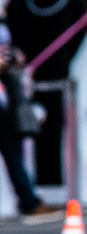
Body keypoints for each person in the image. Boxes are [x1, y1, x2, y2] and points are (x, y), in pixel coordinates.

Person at [0, 20, 59, 222]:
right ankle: (29, 201)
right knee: (14, 156)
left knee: (14, 155)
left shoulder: (4, 25)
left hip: (5, 101)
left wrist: (13, 59)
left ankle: (30, 201)